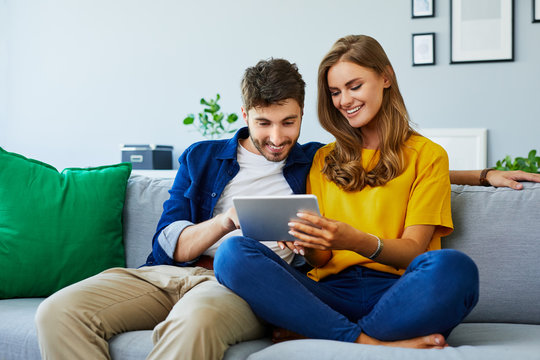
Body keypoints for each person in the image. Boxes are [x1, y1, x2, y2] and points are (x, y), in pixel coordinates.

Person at [35, 58, 323, 360]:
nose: (277, 138)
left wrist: (310, 241)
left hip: (237, 286)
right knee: (59, 311)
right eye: (264, 123)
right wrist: (226, 221)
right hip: (169, 275)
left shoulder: (318, 162)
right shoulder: (202, 157)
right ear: (245, 115)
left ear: (302, 114)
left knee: (194, 322)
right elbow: (169, 245)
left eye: (288, 122)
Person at [213, 34, 486, 350]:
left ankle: (326, 333)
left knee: (455, 268)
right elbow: (322, 257)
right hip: (329, 294)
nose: (344, 100)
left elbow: (414, 250)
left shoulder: (428, 156)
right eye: (335, 92)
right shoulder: (323, 158)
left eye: (354, 86)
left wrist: (352, 239)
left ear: (386, 77)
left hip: (398, 292)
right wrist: (308, 243)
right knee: (233, 255)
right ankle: (368, 341)